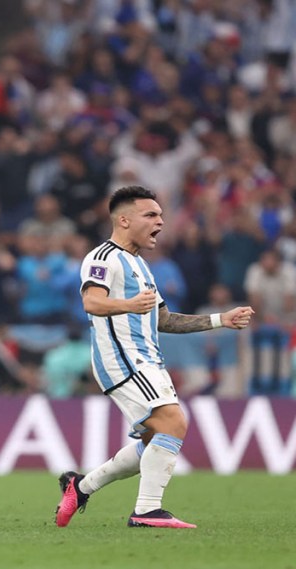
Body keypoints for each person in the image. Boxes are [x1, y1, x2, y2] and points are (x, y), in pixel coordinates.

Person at [55, 186, 254, 529]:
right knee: (173, 423)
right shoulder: (103, 257)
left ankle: (80, 486)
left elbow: (164, 320)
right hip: (123, 359)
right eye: (151, 215)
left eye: (161, 215)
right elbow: (92, 302)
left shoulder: (142, 267)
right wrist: (129, 305)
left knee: (153, 442)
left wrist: (222, 319)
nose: (160, 221)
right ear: (124, 219)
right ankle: (146, 511)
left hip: (148, 360)